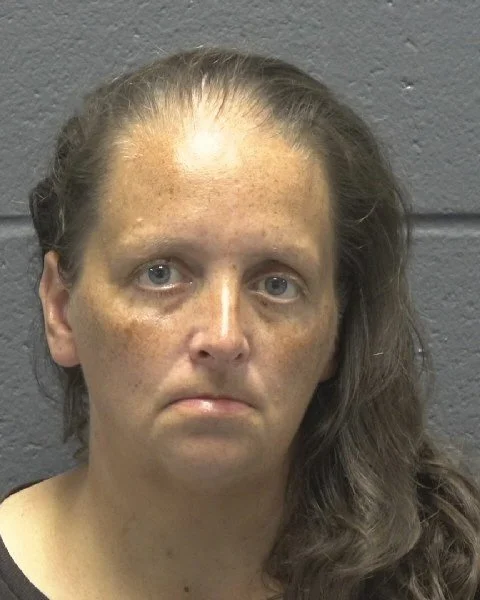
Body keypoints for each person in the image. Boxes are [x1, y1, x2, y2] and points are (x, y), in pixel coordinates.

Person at [0, 46, 479, 600]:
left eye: (276, 284)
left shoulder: (442, 579)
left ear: (335, 334)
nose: (223, 337)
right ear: (62, 310)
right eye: (160, 274)